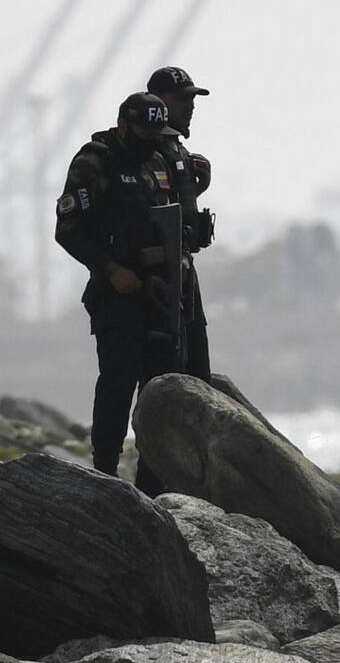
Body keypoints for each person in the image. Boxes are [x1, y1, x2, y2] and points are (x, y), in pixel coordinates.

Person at [54, 92, 181, 494]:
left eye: (156, 133)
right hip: (116, 292)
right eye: (144, 132)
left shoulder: (157, 160)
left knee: (159, 388)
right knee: (117, 382)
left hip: (158, 292)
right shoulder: (95, 161)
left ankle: (152, 484)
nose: (151, 141)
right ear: (124, 125)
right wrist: (111, 269)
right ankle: (105, 474)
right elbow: (68, 229)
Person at [147, 66, 214, 384]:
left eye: (192, 99)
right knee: (163, 369)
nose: (191, 107)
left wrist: (197, 187)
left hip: (183, 266)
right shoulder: (144, 150)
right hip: (158, 275)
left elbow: (173, 206)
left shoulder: (176, 148)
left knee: (195, 363)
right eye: (182, 99)